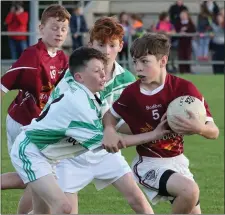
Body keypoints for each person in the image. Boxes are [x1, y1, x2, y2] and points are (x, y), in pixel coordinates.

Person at [102, 33, 219, 214]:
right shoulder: (132, 93)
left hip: (178, 162)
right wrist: (109, 129)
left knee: (192, 202)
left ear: (163, 60)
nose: (138, 68)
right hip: (149, 164)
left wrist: (200, 128)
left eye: (145, 62)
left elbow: (214, 131)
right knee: (190, 190)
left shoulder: (184, 89)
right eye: (135, 62)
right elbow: (110, 115)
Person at [48, 16, 155, 214]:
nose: (106, 51)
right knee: (63, 210)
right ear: (91, 45)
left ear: (121, 46)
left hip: (105, 152)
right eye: (101, 44)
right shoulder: (75, 76)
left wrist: (151, 124)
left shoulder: (128, 81)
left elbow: (126, 121)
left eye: (112, 45)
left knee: (138, 200)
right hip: (70, 153)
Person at [1, 4, 70, 214]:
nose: (59, 33)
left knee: (33, 179)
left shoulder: (62, 58)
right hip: (21, 123)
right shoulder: (32, 56)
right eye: (54, 27)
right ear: (41, 28)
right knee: (36, 177)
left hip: (40, 126)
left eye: (63, 29)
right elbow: (4, 84)